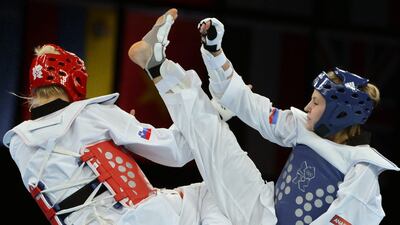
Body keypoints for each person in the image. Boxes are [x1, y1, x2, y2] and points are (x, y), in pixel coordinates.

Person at [128, 12, 399, 225]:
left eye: (315, 103)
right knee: (211, 131)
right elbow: (251, 107)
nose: (306, 106)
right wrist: (215, 53)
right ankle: (156, 65)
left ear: (339, 113)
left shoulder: (362, 169)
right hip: (258, 203)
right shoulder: (304, 127)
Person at [2, 9, 234, 225]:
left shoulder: (19, 145)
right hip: (141, 217)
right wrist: (218, 110)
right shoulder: (93, 115)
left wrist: (115, 148)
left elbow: (73, 167)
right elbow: (177, 151)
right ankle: (163, 70)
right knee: (216, 191)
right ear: (75, 80)